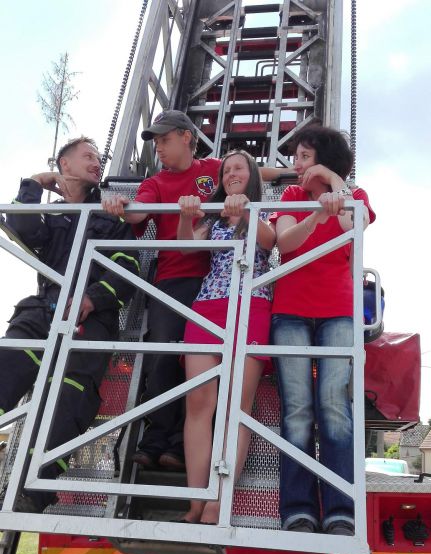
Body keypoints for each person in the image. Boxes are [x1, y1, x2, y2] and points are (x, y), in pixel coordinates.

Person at [102, 110, 281, 471]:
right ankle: (156, 439)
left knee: (214, 376)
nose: (159, 149)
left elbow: (251, 174)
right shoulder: (156, 182)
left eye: (164, 140)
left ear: (186, 137)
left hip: (217, 282)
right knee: (165, 355)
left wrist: (296, 174)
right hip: (177, 279)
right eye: (155, 143)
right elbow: (139, 213)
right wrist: (120, 205)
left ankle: (183, 448)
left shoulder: (215, 169)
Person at [3, 136, 139, 513]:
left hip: (93, 320)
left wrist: (91, 298)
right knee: (7, 363)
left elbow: (128, 267)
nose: (96, 162)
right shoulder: (53, 214)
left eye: (98, 157)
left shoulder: (111, 213)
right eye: (87, 156)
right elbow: (20, 226)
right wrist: (34, 183)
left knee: (71, 395)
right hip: (43, 308)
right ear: (64, 166)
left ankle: (33, 489)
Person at [269, 125, 376, 536]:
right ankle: (297, 509)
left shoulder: (355, 195)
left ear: (325, 160)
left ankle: (340, 511)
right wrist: (317, 213)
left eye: (304, 157)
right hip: (291, 311)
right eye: (295, 157)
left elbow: (354, 227)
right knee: (297, 410)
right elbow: (286, 244)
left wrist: (333, 183)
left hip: (337, 312)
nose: (296, 165)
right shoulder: (291, 196)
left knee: (334, 408)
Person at [177, 150, 276, 524]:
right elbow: (187, 247)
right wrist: (186, 217)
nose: (231, 173)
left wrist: (247, 210)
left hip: (252, 306)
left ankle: (219, 498)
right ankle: (195, 499)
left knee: (237, 405)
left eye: (239, 168)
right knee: (199, 402)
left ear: (252, 174)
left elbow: (269, 241)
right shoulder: (214, 216)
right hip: (207, 306)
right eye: (225, 170)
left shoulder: (267, 209)